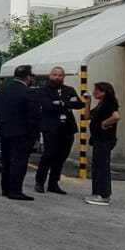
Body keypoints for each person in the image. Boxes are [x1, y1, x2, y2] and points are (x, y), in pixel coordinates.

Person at [0, 64, 41, 201]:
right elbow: (33, 116)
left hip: (4, 131)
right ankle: (15, 190)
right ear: (27, 77)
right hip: (22, 133)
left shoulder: (1, 90)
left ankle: (6, 188)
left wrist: (0, 126)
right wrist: (35, 135)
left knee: (6, 161)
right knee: (19, 162)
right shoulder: (29, 92)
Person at [34, 66, 84, 194]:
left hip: (67, 127)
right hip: (50, 127)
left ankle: (53, 183)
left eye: (60, 75)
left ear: (64, 77)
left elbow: (79, 104)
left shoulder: (69, 89)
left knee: (61, 156)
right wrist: (68, 103)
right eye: (55, 75)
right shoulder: (43, 90)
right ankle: (40, 181)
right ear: (50, 75)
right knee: (48, 154)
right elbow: (48, 106)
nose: (57, 77)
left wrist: (61, 103)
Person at [85, 82, 121, 206]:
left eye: (97, 90)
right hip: (98, 139)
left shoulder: (109, 103)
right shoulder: (100, 105)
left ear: (104, 92)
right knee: (97, 166)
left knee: (102, 167)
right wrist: (88, 102)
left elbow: (116, 116)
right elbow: (87, 116)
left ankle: (104, 195)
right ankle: (98, 193)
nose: (94, 92)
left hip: (105, 139)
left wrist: (104, 123)